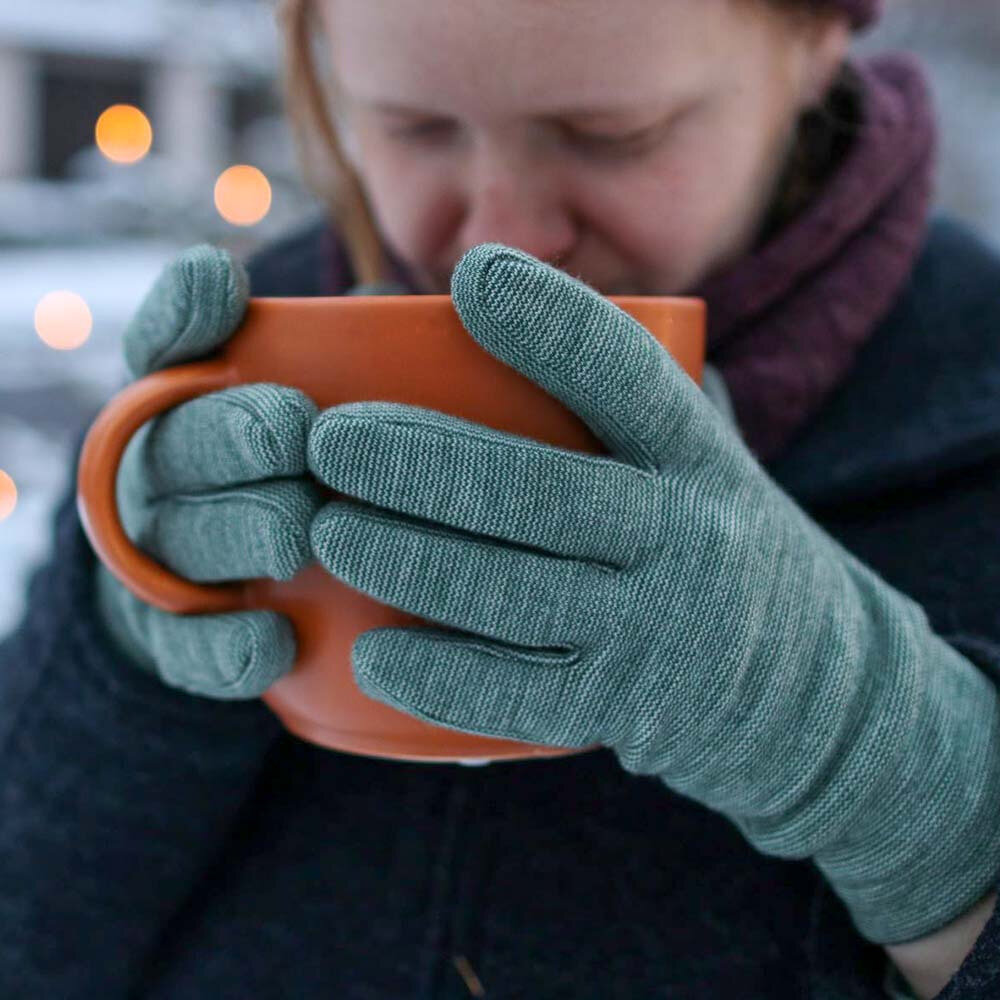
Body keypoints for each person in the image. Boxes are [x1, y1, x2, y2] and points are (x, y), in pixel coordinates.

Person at [2, 0, 1000, 996]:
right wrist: (119, 645)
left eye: (612, 134)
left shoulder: (975, 391)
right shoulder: (237, 359)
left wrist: (910, 795)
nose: (502, 237)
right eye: (413, 126)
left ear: (816, 41)